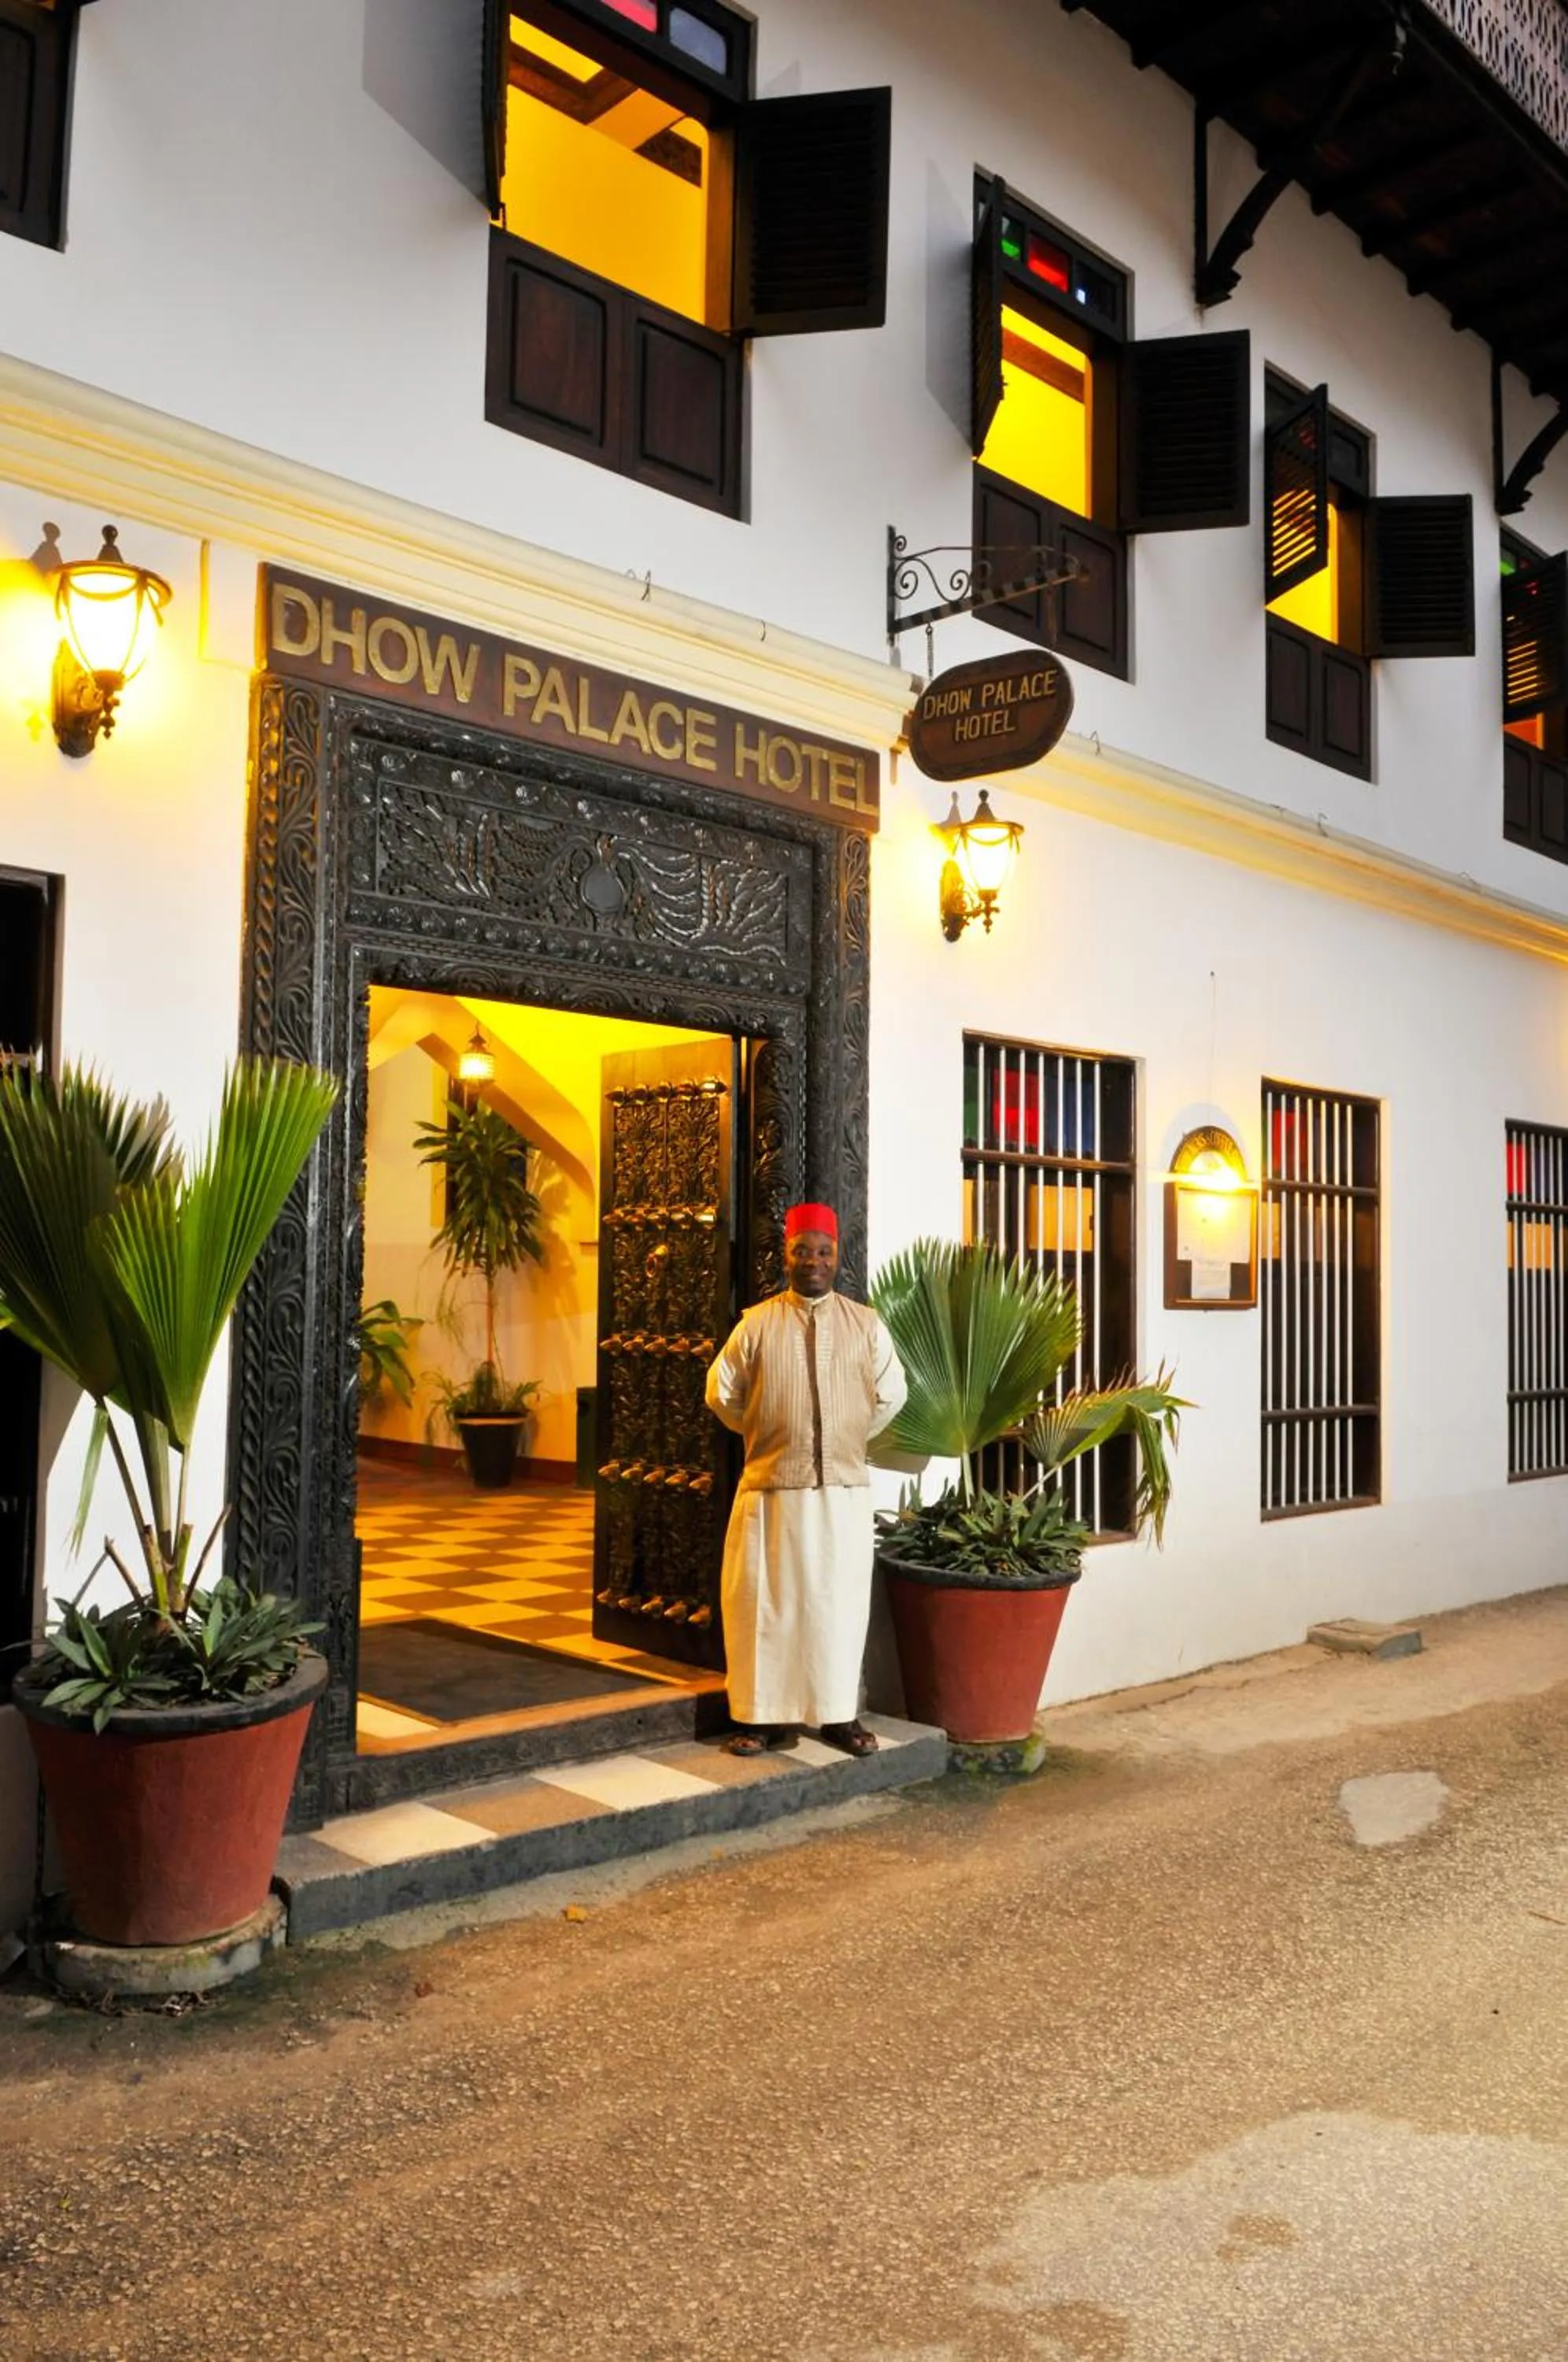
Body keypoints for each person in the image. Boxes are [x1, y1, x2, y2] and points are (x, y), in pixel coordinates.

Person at [704, 1201, 906, 1757]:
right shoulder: (757, 1323)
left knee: (835, 1610)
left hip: (840, 1495)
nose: (813, 1261)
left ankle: (839, 1717)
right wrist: (766, 1427)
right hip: (772, 1493)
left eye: (823, 1251)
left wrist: (848, 1432)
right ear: (785, 1257)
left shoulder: (866, 1324)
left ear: (836, 1256)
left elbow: (892, 1393)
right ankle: (762, 1719)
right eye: (802, 1251)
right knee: (768, 1609)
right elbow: (721, 1391)